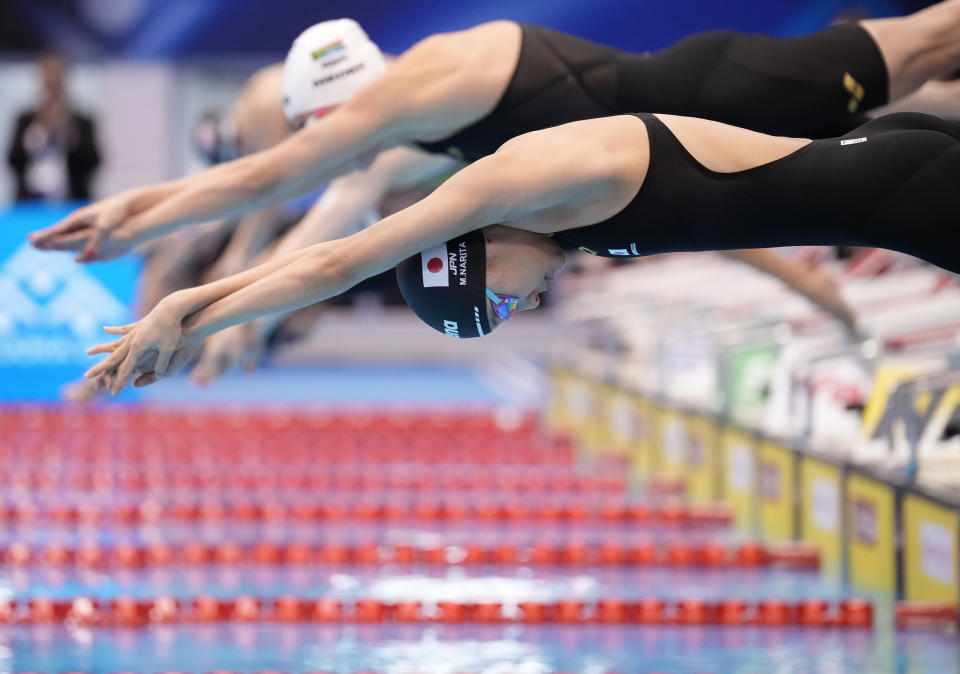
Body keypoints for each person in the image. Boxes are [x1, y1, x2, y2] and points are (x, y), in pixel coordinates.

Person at [81, 108, 960, 392]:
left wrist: (185, 310)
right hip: (890, 195)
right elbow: (741, 233)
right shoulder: (566, 225)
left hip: (905, 191)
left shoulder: (514, 183)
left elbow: (336, 258)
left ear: (470, 253)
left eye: (497, 303)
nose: (523, 309)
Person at [26, 3, 960, 261]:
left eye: (314, 125)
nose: (323, 140)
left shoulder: (420, 88)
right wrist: (233, 306)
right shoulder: (416, 130)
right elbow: (321, 214)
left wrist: (130, 217)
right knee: (922, 119)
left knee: (929, 41)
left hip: (730, 84)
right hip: (712, 133)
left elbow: (271, 182)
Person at [6, 51, 100, 202]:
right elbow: (12, 160)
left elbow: (94, 162)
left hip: (72, 202)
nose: (52, 81)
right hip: (29, 205)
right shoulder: (25, 120)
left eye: (57, 75)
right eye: (48, 76)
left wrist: (69, 129)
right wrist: (36, 131)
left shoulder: (82, 122)